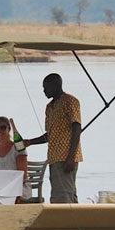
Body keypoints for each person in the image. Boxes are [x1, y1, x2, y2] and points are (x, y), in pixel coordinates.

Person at [16, 73, 83, 203]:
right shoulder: (49, 107)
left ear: (56, 85)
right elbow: (49, 135)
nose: (44, 91)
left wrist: (71, 157)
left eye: (46, 87)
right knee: (61, 192)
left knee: (63, 195)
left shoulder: (70, 101)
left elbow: (77, 128)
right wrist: (30, 142)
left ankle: (65, 221)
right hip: (54, 157)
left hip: (66, 157)